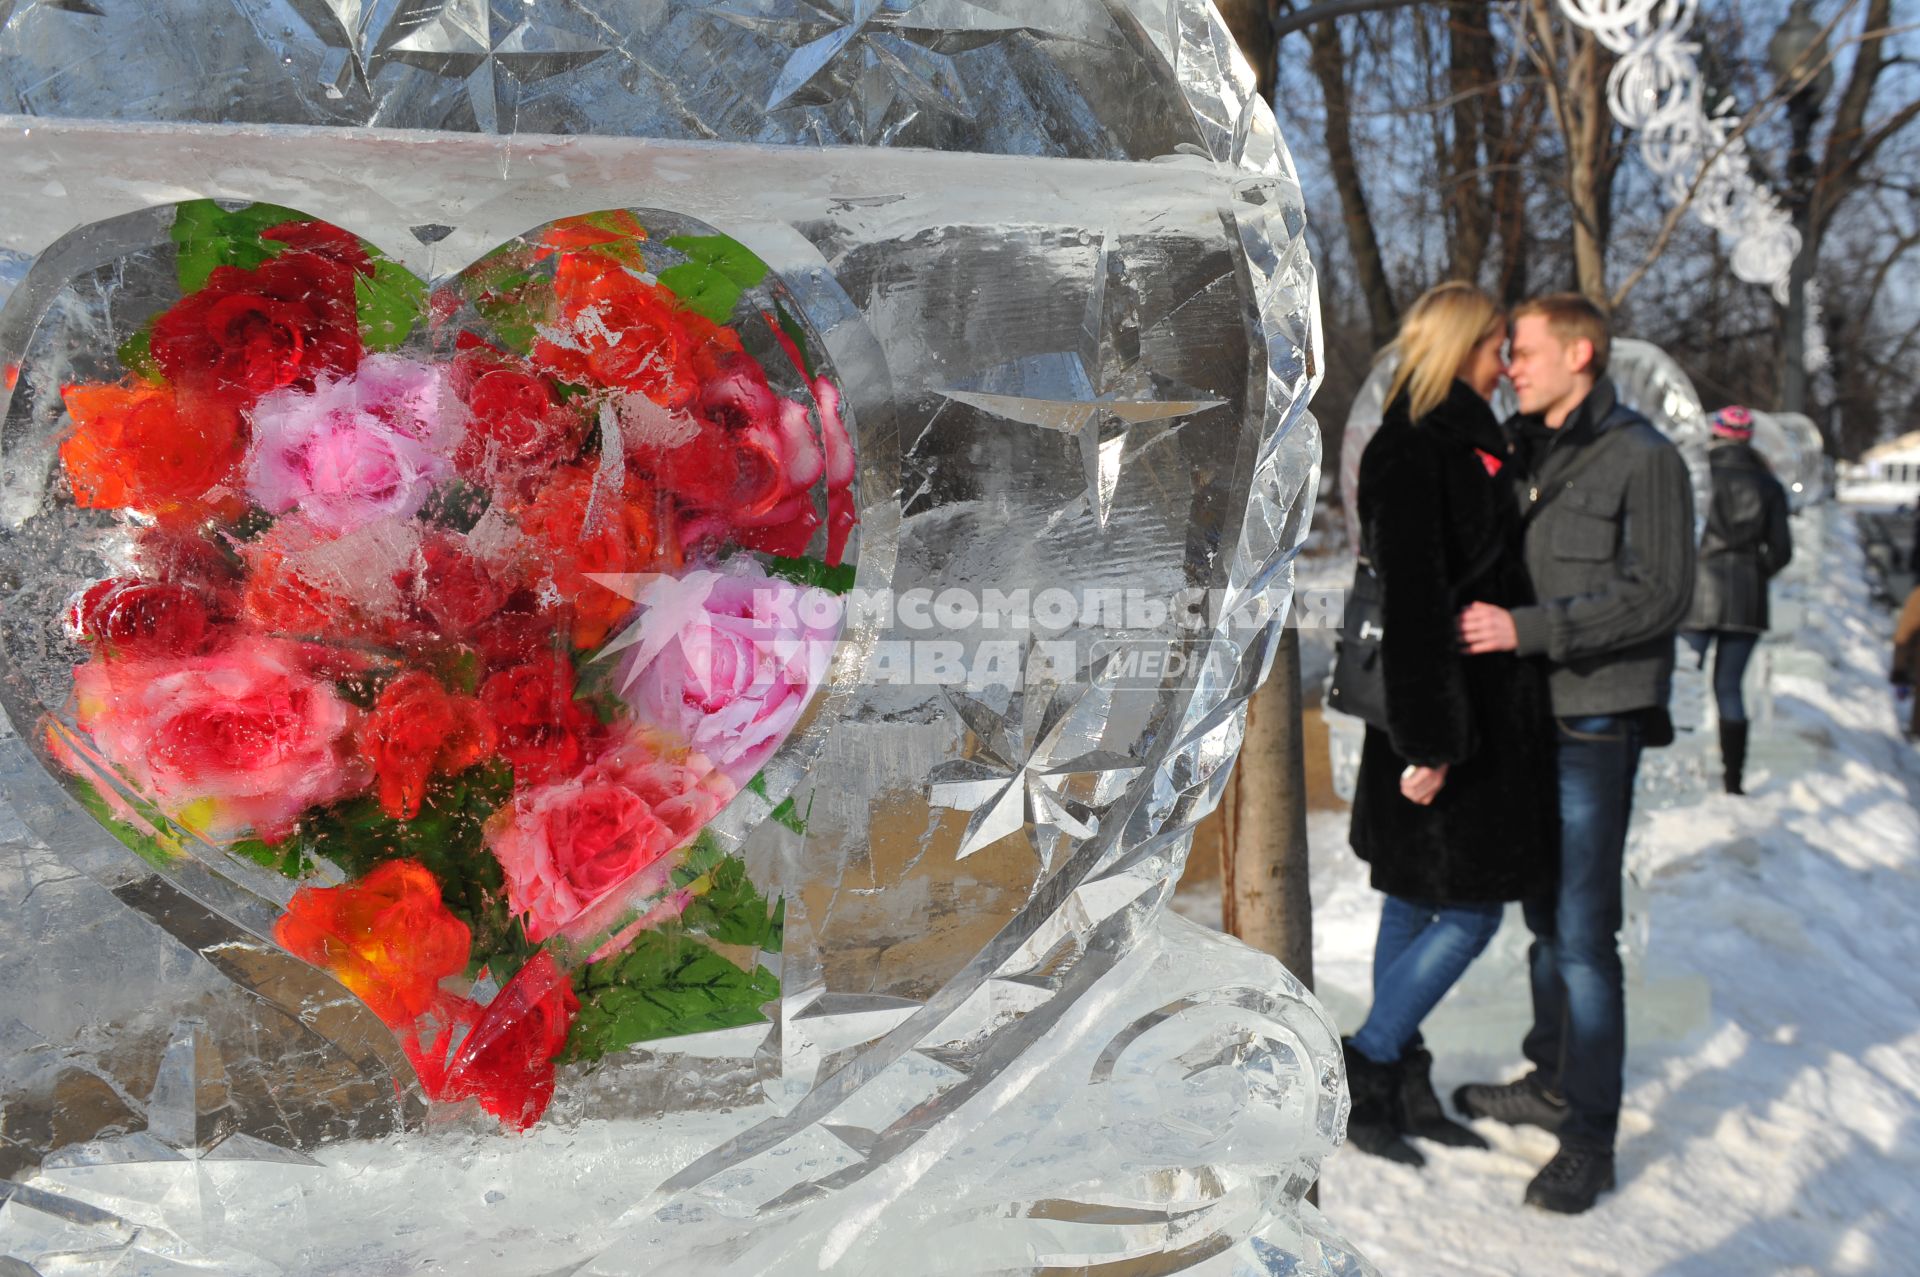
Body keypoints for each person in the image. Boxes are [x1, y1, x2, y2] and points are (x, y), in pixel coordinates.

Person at [1453, 293, 1695, 1214]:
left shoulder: (1644, 456)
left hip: (1597, 720)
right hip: (1524, 715)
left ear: (1582, 353)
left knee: (1587, 935)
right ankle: (1551, 1075)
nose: (1511, 363)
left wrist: (1529, 629)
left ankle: (1588, 1133)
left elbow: (1662, 594)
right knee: (1545, 913)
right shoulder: (1518, 443)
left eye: (1526, 350)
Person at [1343, 282, 1559, 1167]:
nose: (1506, 359)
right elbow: (1417, 604)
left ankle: (1395, 1084)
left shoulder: (1471, 440)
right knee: (1469, 914)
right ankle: (1368, 1060)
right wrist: (1428, 743)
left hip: (1470, 712)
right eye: (1497, 343)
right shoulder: (1412, 446)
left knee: (1415, 896)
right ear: (1463, 345)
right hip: (1442, 713)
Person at [1680, 406, 1793, 794]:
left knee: (1684, 681)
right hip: (1747, 598)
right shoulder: (1768, 483)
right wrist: (1753, 568)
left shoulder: (1697, 474)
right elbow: (1781, 550)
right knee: (1729, 687)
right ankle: (1733, 781)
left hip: (1697, 593)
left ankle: (1680, 770)